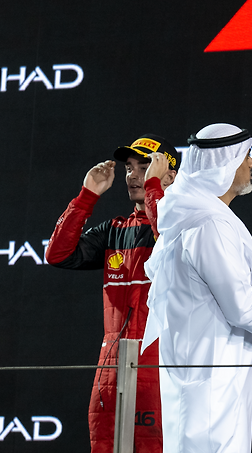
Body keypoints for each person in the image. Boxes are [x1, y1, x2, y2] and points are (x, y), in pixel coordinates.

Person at [141, 123, 252, 453]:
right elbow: (239, 309)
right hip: (209, 383)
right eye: (246, 156)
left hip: (214, 378)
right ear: (223, 166)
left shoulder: (196, 216)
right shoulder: (208, 224)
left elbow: (229, 300)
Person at [45, 134, 179, 453]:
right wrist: (88, 196)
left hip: (163, 368)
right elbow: (58, 254)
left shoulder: (186, 226)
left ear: (169, 175)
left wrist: (154, 190)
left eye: (145, 166)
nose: (132, 175)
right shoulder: (115, 230)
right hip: (111, 370)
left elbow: (169, 234)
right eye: (130, 167)